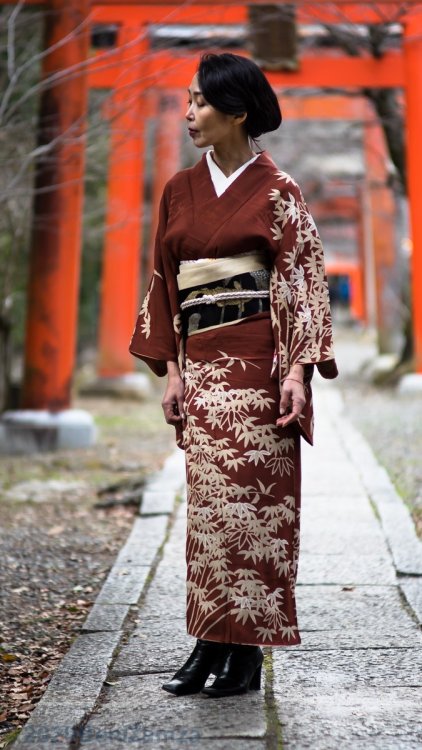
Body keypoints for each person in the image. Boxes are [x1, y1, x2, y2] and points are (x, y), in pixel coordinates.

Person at [129, 52, 337, 698]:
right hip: (203, 373)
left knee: (257, 514)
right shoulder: (177, 191)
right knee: (211, 516)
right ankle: (209, 640)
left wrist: (298, 373)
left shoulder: (279, 192)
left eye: (199, 103)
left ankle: (244, 655)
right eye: (187, 101)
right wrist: (170, 372)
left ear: (236, 112)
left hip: (261, 371)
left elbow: (302, 283)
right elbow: (163, 282)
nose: (188, 114)